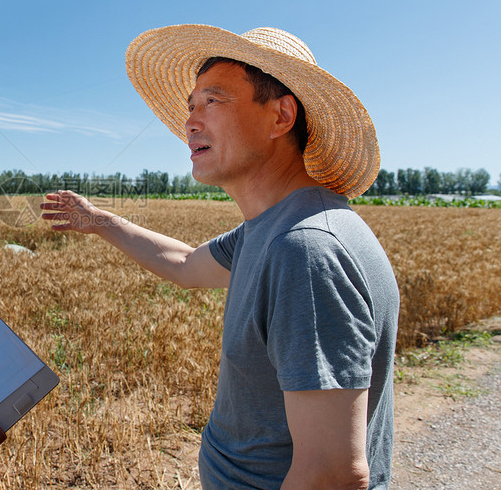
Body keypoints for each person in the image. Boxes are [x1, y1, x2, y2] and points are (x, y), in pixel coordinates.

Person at [42, 25, 400, 489]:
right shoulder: (269, 229)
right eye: (191, 106)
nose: (190, 121)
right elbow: (187, 265)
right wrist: (98, 221)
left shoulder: (305, 248)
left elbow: (332, 473)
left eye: (212, 101)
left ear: (280, 116)